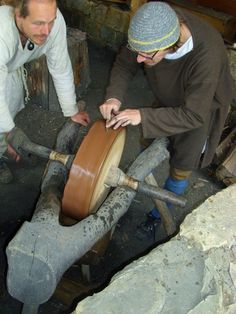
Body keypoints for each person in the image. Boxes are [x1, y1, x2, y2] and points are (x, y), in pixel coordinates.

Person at [99, 2, 236, 230]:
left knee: (183, 163)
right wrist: (113, 97)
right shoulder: (154, 27)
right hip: (170, 96)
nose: (140, 59)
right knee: (148, 140)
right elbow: (125, 63)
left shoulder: (206, 55)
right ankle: (137, 182)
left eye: (146, 55)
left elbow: (193, 114)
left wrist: (143, 115)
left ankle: (157, 215)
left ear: (170, 45)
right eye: (138, 52)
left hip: (201, 109)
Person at [0, 0, 90, 184]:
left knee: (8, 109)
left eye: (51, 21)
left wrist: (71, 110)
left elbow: (60, 68)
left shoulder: (54, 25)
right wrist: (9, 133)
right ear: (18, 16)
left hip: (7, 68)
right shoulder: (2, 32)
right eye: (39, 23)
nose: (47, 31)